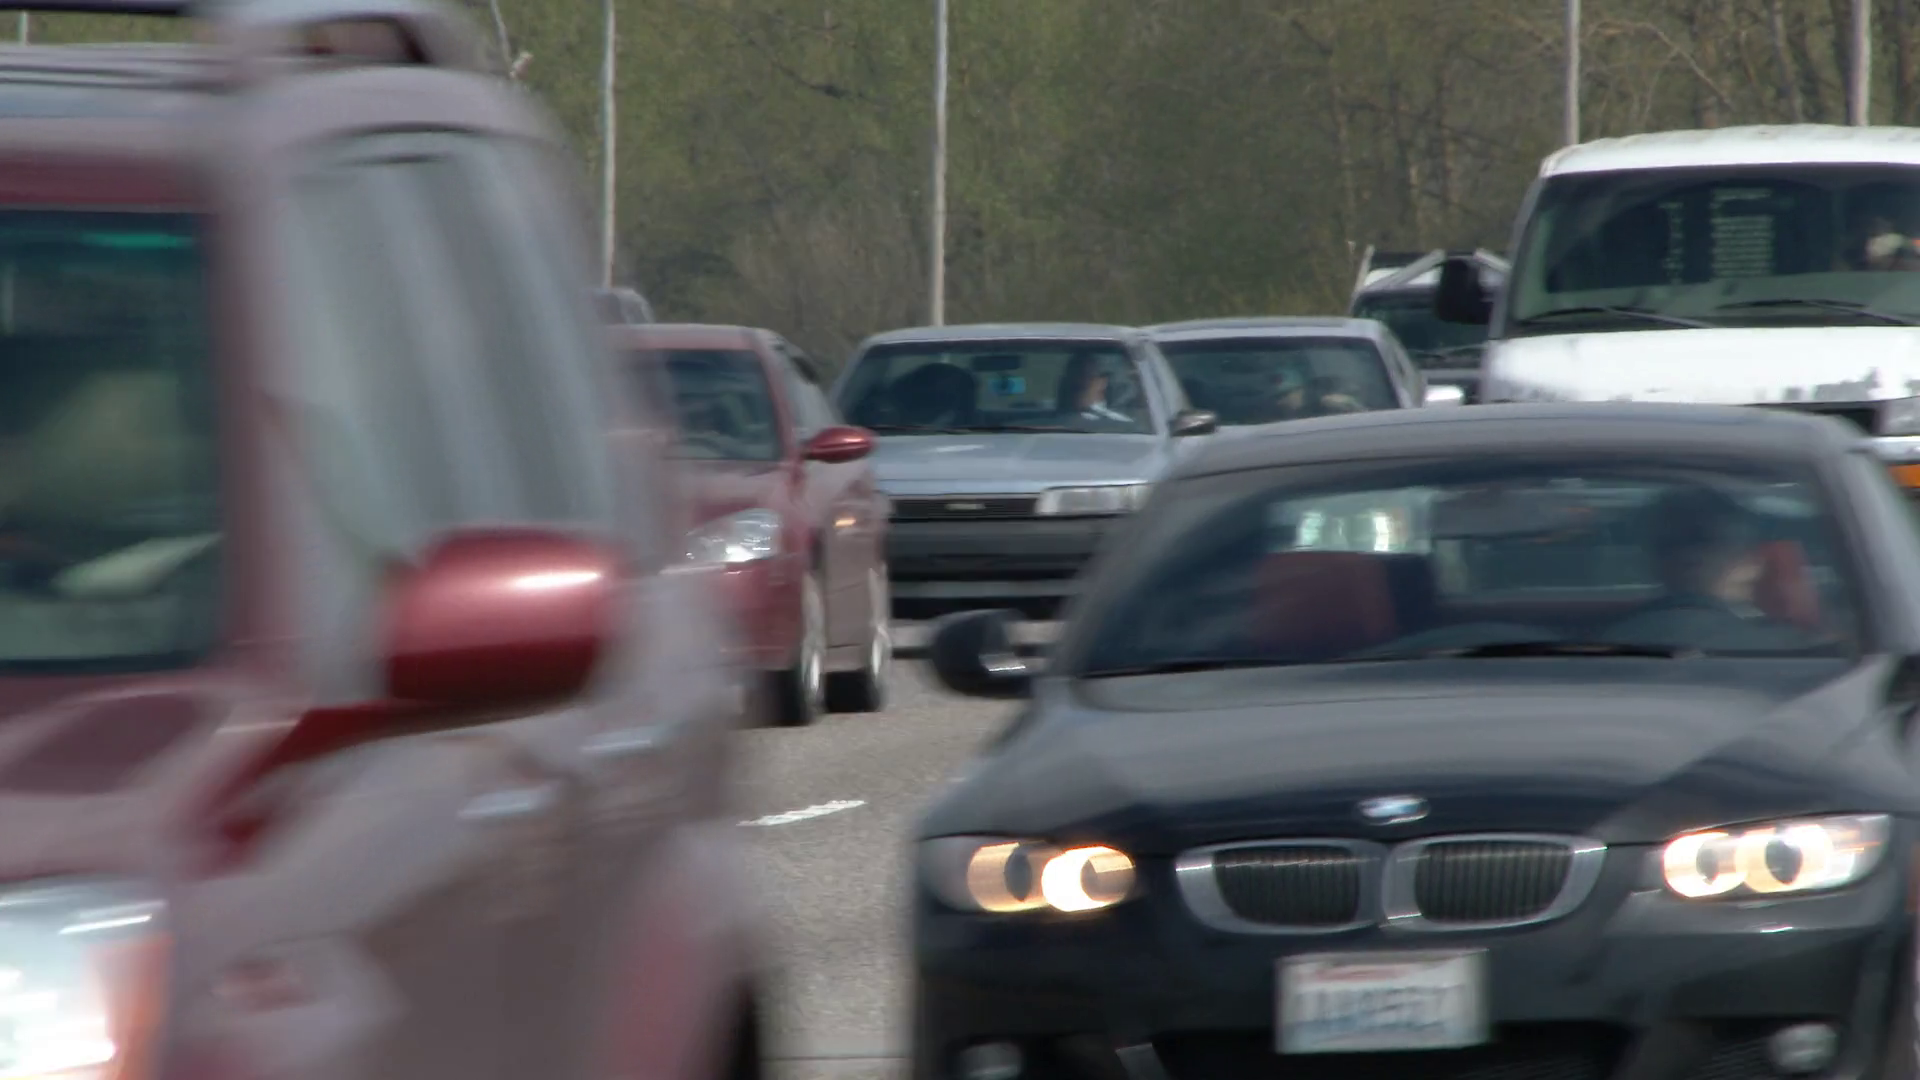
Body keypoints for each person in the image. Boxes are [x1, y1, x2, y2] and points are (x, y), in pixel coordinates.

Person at [1057, 354, 1131, 423]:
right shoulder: (1052, 423)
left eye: (1088, 376)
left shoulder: (1119, 424)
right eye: (1074, 376)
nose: (1080, 381)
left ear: (1103, 382)